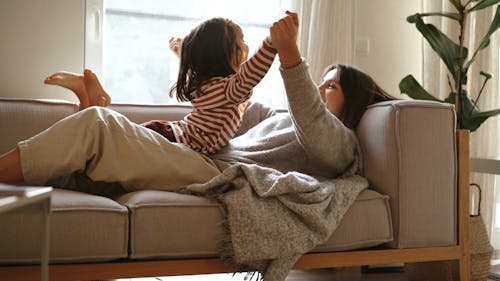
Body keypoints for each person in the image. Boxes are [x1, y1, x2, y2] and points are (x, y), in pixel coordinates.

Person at [0, 11, 393, 192]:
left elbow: (305, 116)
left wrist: (285, 52)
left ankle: (96, 108)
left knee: (98, 128)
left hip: (211, 170)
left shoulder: (341, 143)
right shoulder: (291, 118)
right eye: (322, 84)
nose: (320, 91)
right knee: (87, 165)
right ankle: (97, 104)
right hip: (198, 157)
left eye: (331, 86)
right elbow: (232, 89)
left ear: (354, 101)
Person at [45, 17, 277, 155]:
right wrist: (272, 43)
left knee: (108, 145)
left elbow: (208, 64)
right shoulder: (227, 90)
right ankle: (98, 104)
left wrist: (183, 50)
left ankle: (86, 98)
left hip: (168, 134)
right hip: (171, 140)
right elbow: (251, 73)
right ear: (222, 55)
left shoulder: (208, 86)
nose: (246, 48)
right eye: (240, 44)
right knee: (111, 146)